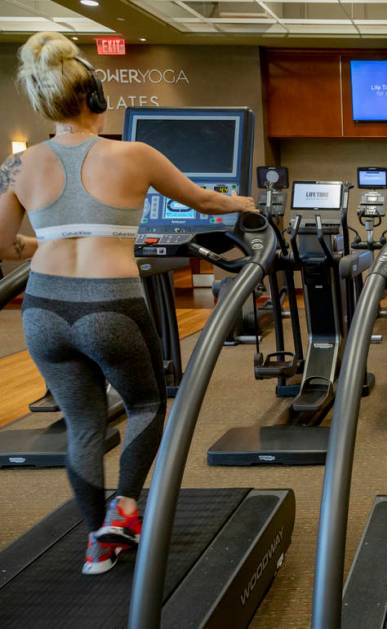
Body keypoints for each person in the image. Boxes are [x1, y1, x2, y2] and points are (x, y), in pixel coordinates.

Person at [0, 31, 255, 575]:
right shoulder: (133, 153)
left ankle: (98, 541)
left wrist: (49, 242)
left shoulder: (18, 166)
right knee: (144, 404)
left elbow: (4, 246)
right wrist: (246, 203)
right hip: (109, 304)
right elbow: (204, 201)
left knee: (84, 424)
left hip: (42, 309)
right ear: (96, 97)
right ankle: (127, 508)